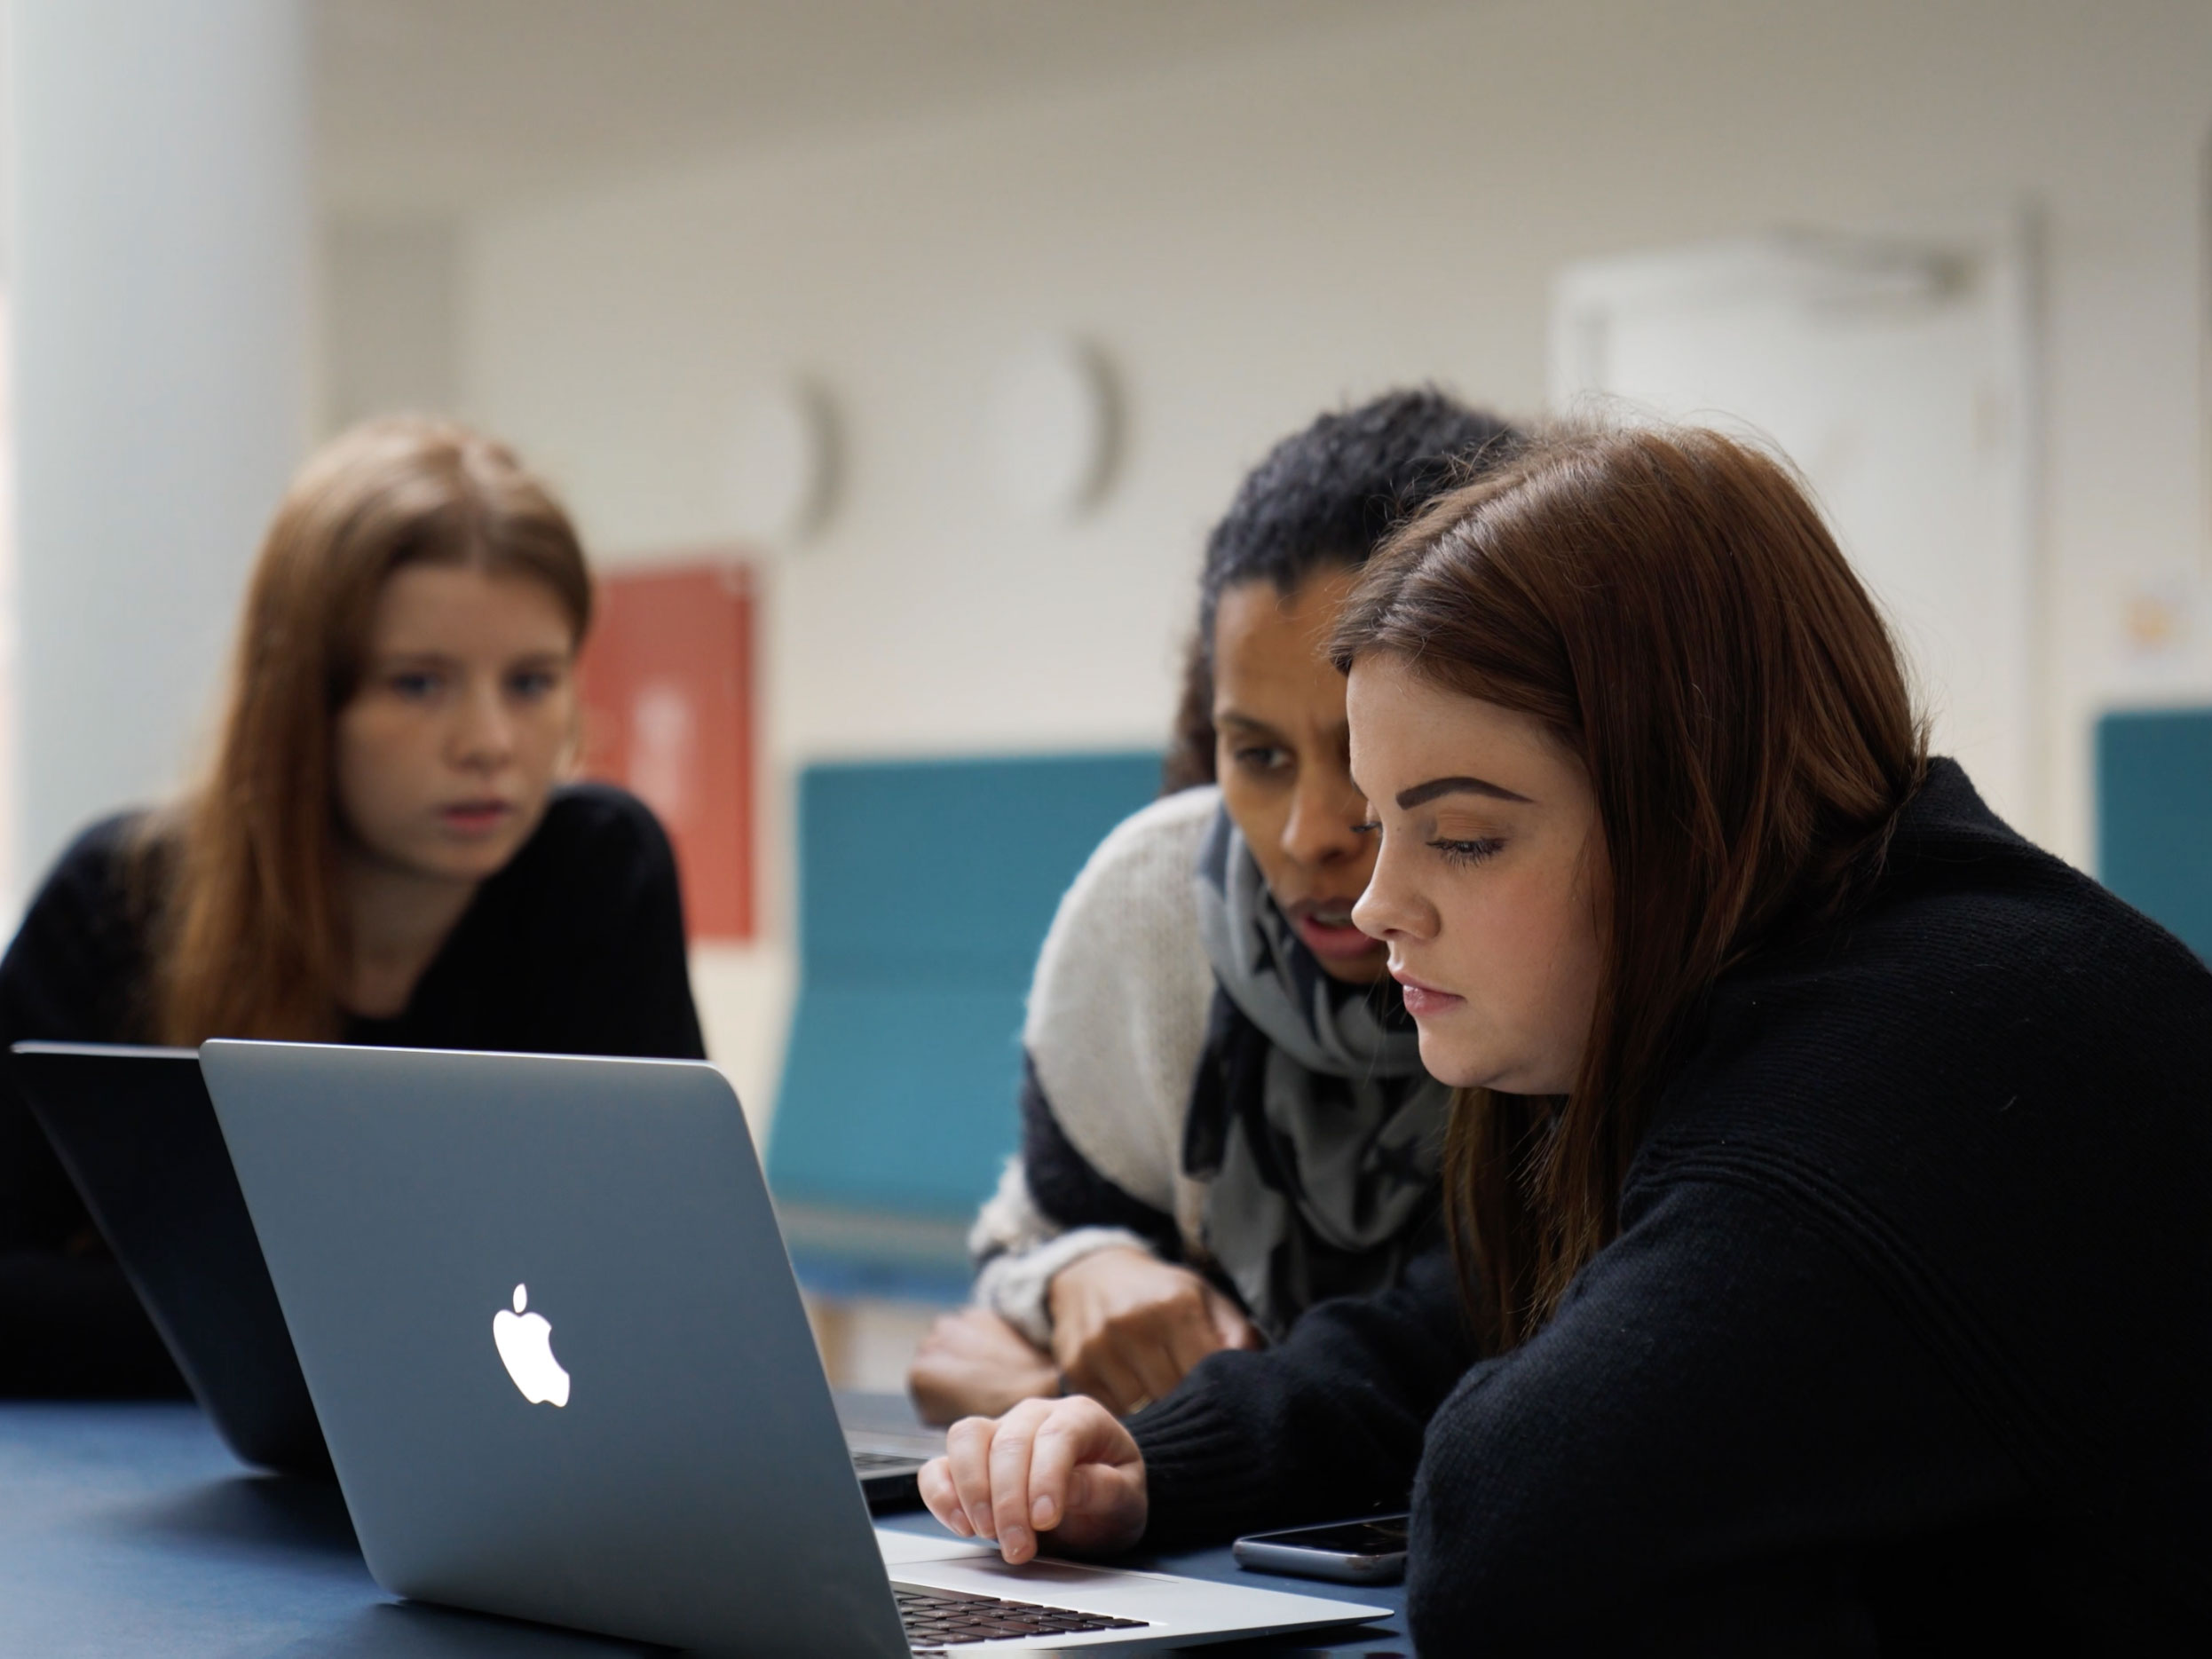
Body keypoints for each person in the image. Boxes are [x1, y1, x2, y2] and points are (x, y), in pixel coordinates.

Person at [920, 424, 2212, 1650]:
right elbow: (1473, 1313)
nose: (1378, 901)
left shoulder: (1910, 1068)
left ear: (1686, 802)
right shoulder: (1814, 944)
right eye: (1386, 821)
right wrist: (1150, 1461)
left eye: (1465, 836)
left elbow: (1530, 1534)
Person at [0, 416, 705, 1395]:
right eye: (417, 684)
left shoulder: (598, 874)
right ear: (301, 703)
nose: (490, 741)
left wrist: (226, 1315)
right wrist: (392, 1323)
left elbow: (665, 1284)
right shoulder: (118, 902)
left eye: (532, 682)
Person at [908, 391, 1518, 1423]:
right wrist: (1079, 1273)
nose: (1308, 832)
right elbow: (1020, 1256)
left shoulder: (1563, 946)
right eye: (1259, 756)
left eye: (1365, 753)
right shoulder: (1150, 912)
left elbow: (1495, 1357)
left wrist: (1067, 1391)